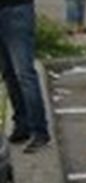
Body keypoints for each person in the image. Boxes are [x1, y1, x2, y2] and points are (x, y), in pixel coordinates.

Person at [0, 0, 50, 154]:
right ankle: (22, 125)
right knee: (10, 73)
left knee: (24, 74)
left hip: (16, 9)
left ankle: (39, 130)